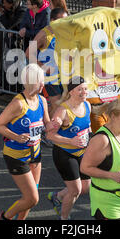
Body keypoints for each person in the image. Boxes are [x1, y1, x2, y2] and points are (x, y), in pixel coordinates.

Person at [0, 63, 50, 220]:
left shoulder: (42, 101)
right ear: (32, 82)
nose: (43, 84)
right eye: (40, 81)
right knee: (32, 198)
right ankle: (4, 217)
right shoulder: (18, 103)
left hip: (35, 154)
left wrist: (61, 120)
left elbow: (47, 124)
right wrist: (16, 137)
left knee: (31, 198)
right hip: (16, 156)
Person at [46, 76, 91, 220]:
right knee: (75, 190)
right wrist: (70, 141)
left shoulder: (87, 105)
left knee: (85, 187)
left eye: (85, 89)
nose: (84, 92)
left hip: (82, 151)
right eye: (80, 89)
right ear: (71, 92)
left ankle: (58, 197)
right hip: (64, 153)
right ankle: (64, 218)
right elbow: (50, 136)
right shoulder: (63, 111)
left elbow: (86, 128)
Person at [25, 7, 68, 116]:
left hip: (62, 75)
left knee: (63, 104)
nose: (65, 24)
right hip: (48, 77)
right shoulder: (44, 34)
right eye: (62, 20)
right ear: (53, 21)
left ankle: (42, 123)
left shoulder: (64, 34)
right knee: (57, 104)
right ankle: (49, 128)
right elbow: (29, 53)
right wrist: (44, 67)